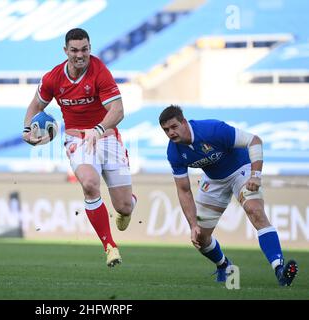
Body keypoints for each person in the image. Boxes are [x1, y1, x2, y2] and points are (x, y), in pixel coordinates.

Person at [22, 28, 136, 267]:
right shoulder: (53, 78)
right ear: (66, 51)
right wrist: (26, 131)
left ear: (90, 48)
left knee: (124, 206)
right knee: (89, 184)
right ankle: (110, 246)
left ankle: (128, 205)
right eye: (74, 50)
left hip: (107, 136)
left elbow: (118, 110)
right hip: (77, 139)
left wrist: (98, 130)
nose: (80, 55)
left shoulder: (100, 72)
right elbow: (35, 106)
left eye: (84, 49)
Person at [159, 105, 298, 286]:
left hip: (241, 170)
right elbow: (183, 190)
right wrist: (193, 224)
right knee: (200, 238)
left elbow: (254, 140)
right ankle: (224, 265)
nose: (171, 133)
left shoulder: (212, 129)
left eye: (174, 127)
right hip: (213, 180)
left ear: (184, 122)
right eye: (166, 130)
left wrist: (256, 175)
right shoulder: (173, 152)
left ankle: (280, 269)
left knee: (255, 211)